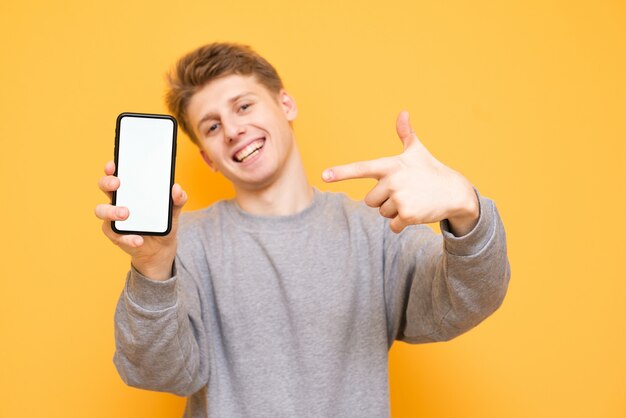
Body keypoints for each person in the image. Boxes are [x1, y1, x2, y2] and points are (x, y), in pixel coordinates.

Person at [95, 42, 511, 418]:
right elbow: (160, 374)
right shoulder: (184, 248)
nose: (234, 130)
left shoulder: (376, 231)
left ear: (286, 104)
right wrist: (151, 269)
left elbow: (467, 299)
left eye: (243, 106)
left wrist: (466, 209)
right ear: (209, 160)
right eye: (213, 126)